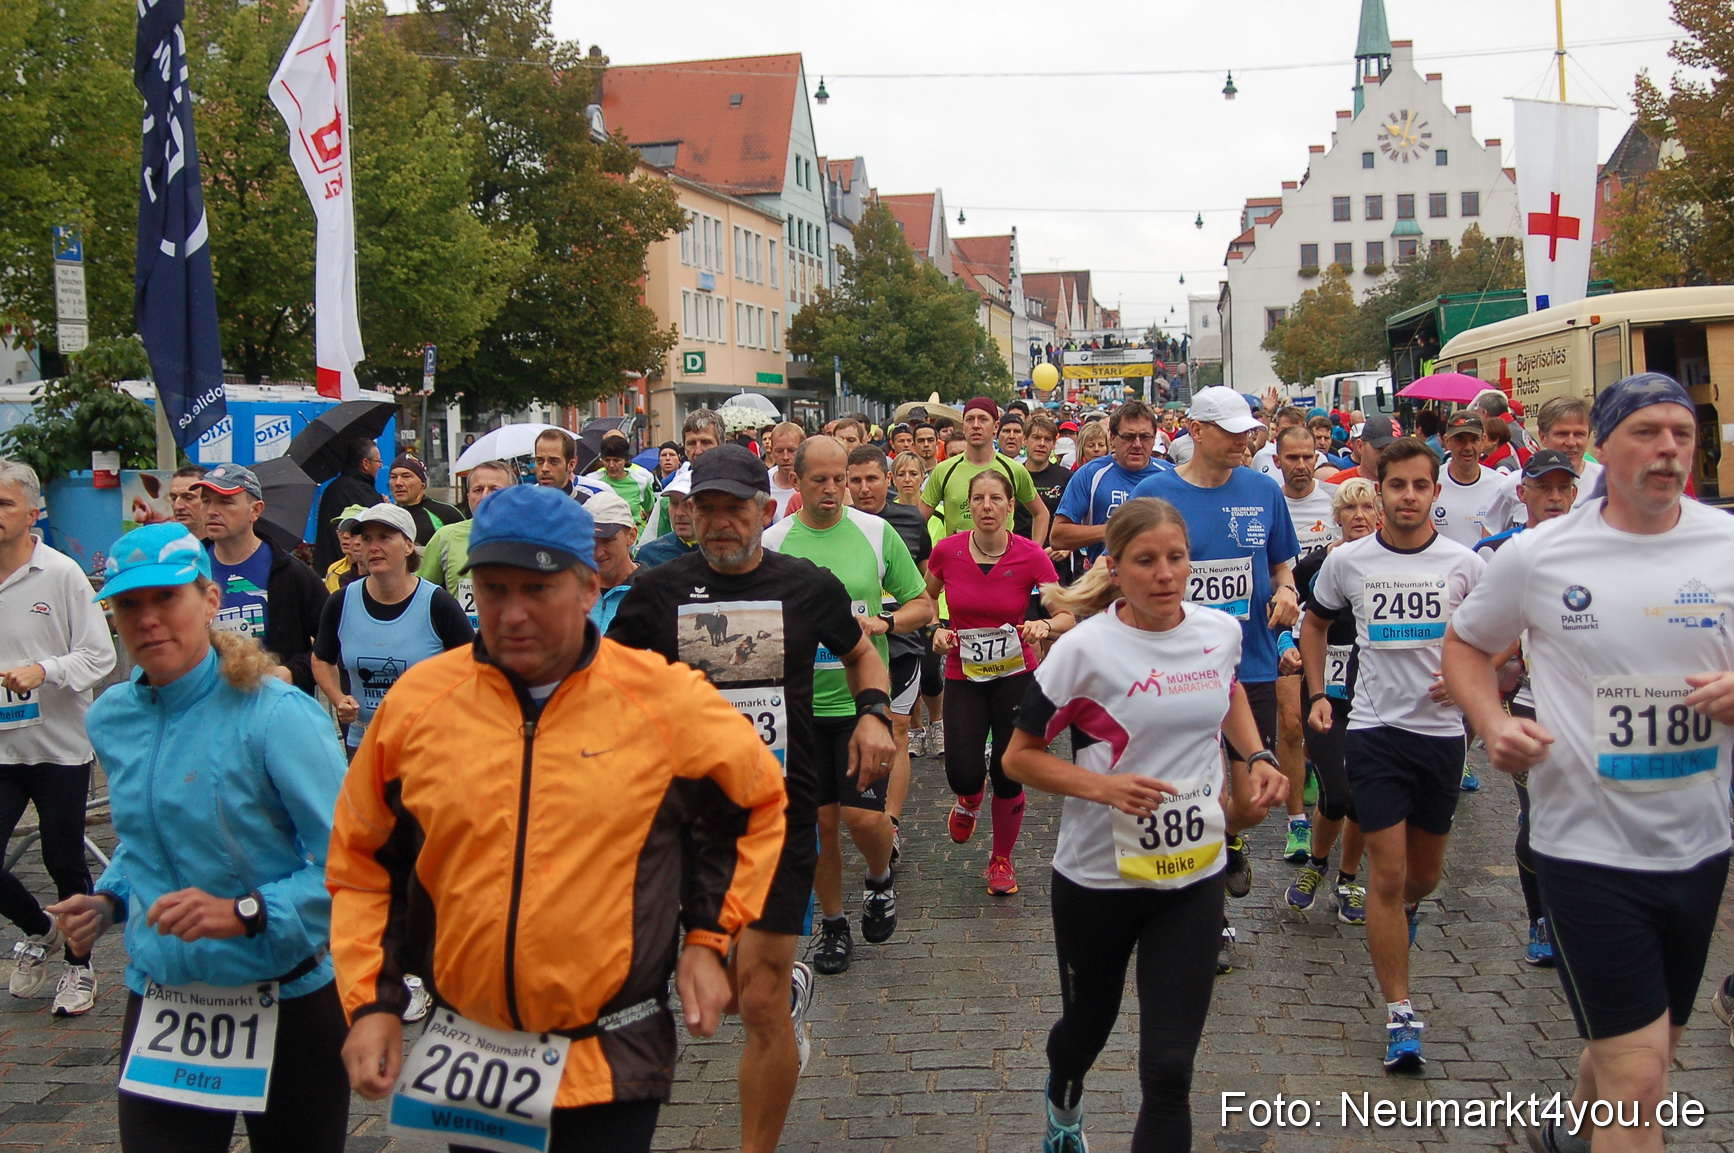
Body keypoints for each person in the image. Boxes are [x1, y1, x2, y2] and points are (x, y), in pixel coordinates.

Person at [329, 484, 786, 1153]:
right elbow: (362, 862)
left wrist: (708, 937)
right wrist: (372, 1002)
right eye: (492, 589)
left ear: (586, 584)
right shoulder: (419, 704)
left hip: (611, 1048)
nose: (511, 613)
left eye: (536, 589)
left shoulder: (663, 698)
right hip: (474, 1049)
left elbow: (754, 807)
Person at [1445, 373, 1733, 1153]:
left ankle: (1569, 1133)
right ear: (1602, 446)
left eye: (1681, 431)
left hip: (1699, 847)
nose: (1669, 447)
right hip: (1585, 851)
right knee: (1641, 1084)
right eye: (1647, 431)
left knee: (1646, 1050)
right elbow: (1468, 646)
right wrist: (1491, 718)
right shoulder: (1539, 555)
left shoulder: (1726, 544)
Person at [608, 446, 893, 1153]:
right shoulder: (658, 592)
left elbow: (861, 652)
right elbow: (606, 687)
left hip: (777, 816)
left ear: (768, 511)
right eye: (706, 508)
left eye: (736, 507)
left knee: (759, 1001)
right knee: (722, 990)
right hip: (678, 824)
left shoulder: (805, 585)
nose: (720, 522)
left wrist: (875, 712)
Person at [50, 522, 350, 1151]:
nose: (148, 618)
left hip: (284, 998)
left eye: (167, 597)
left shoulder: (275, 713)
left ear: (209, 601)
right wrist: (109, 900)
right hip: (166, 997)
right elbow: (146, 840)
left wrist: (245, 912)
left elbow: (350, 864)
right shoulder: (113, 718)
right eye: (129, 604)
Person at [1004, 497, 1287, 1153]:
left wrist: (1258, 753)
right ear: (1115, 568)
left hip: (1191, 873)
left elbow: (1230, 692)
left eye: (1176, 557)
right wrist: (1103, 786)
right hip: (1097, 878)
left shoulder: (1218, 632)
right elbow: (1016, 757)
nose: (1165, 573)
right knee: (1087, 1028)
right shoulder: (1084, 650)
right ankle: (1064, 1095)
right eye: (1146, 560)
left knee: (1168, 1069)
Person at [1299, 437, 1484, 1073]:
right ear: (1380, 491)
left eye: (1420, 486)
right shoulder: (1349, 562)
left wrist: (1472, 675)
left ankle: (1405, 915)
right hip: (1374, 732)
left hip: (1440, 737)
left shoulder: (1465, 564)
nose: (1408, 497)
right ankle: (1401, 1014)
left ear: (1436, 492)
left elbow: (1499, 634)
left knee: (1422, 878)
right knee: (1387, 872)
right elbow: (1314, 623)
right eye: (1397, 485)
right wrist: (1320, 692)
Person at [1131, 387, 1300, 950]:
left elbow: (1280, 565)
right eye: (1229, 430)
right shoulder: (1157, 491)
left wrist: (1287, 592)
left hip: (1248, 663)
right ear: (1197, 432)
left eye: (1247, 430)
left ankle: (1225, 839)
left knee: (1250, 802)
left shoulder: (1262, 489)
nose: (1243, 439)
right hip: (1177, 667)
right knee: (1190, 793)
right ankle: (1211, 919)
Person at [765, 439, 931, 973]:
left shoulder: (876, 532)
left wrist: (883, 623)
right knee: (820, 822)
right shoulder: (774, 542)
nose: (835, 490)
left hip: (863, 706)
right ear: (797, 478)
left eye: (842, 480)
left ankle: (879, 879)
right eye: (822, 481)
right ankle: (834, 924)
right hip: (802, 709)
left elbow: (922, 603)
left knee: (864, 820)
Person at [0, 461, 117, 1016]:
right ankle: (39, 928)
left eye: (4, 504)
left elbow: (100, 655)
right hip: (1, 749)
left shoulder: (62, 573)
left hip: (59, 746)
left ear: (32, 511)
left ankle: (80, 966)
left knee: (62, 858)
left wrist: (43, 671)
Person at [926, 469, 1070, 896]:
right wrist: (935, 628)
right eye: (978, 499)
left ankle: (1001, 860)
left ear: (1011, 506)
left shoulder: (1029, 555)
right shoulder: (948, 552)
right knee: (962, 771)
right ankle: (969, 799)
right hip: (963, 673)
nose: (986, 506)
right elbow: (925, 597)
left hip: (1015, 675)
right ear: (967, 507)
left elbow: (1065, 613)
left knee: (1009, 770)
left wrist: (1044, 627)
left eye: (995, 499)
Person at [1471, 448, 1579, 966]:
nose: (1556, 497)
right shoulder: (1500, 552)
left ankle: (1582, 911)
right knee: (1537, 816)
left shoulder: (1594, 551)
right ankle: (1540, 917)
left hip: (1587, 710)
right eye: (1545, 487)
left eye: (1565, 488)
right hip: (1529, 704)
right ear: (1524, 493)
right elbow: (1471, 635)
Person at [311, 502, 472, 759]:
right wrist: (338, 697)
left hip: (425, 746)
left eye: (385, 537)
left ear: (409, 545)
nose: (374, 547)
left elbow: (472, 668)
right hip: (364, 743)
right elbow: (321, 658)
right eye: (366, 539)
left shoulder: (437, 604)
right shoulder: (342, 602)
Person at [1285, 478, 1375, 926]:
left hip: (1374, 694)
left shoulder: (1387, 565)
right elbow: (1287, 614)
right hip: (1323, 692)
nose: (1359, 515)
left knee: (1359, 797)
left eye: (1367, 507)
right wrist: (1288, 643)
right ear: (1336, 517)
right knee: (1336, 792)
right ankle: (1317, 864)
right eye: (1350, 508)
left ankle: (1348, 878)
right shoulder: (1316, 564)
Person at [845, 445, 934, 860]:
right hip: (848, 649)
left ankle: (891, 822)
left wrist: (912, 619)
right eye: (856, 480)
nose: (865, 488)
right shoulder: (839, 523)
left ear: (889, 479)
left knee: (898, 730)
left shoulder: (911, 519)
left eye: (872, 479)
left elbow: (924, 579)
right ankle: (859, 808)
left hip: (900, 641)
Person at [195, 464, 327, 696]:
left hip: (274, 709)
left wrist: (294, 671)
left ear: (255, 511)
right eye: (206, 501)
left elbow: (335, 640)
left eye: (225, 502)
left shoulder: (290, 574)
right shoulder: (190, 573)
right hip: (208, 709)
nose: (212, 511)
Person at [1273, 425, 1340, 861]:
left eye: (1308, 457)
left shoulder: (1334, 502)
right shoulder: (1268, 502)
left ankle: (1335, 796)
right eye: (1291, 458)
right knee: (1292, 725)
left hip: (1335, 631)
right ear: (1276, 460)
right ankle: (1297, 822)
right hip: (1285, 625)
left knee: (1328, 726)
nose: (1300, 466)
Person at [1051, 399, 1168, 565]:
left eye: (1144, 437)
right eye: (1128, 437)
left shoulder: (1170, 475)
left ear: (1154, 438)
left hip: (1157, 581)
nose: (1137, 444)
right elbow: (1058, 537)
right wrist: (1116, 529)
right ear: (1112, 438)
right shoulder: (1091, 474)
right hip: (1105, 582)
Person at [919, 397, 1049, 544]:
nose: (976, 425)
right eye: (970, 419)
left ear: (995, 426)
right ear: (963, 426)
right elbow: (918, 521)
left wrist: (1034, 554)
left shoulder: (1014, 469)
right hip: (958, 562)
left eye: (983, 419)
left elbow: (1041, 513)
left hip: (1002, 562)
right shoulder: (944, 470)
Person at [1481, 395, 1602, 536]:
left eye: (1579, 434)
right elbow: (1490, 531)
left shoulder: (1606, 482)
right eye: (1562, 434)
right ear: (1543, 437)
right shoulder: (1515, 482)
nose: (1571, 442)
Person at [419, 459, 516, 627]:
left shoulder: (532, 538)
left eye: (494, 489)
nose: (485, 496)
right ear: (469, 496)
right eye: (478, 490)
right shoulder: (446, 537)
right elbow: (420, 598)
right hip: (463, 645)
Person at [642, 409, 725, 538]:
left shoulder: (740, 492)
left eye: (705, 442)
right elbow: (654, 546)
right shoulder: (669, 497)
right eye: (691, 443)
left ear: (721, 444)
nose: (698, 451)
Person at [1431, 411, 1502, 548]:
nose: (1468, 447)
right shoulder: (1431, 483)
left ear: (1483, 440)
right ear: (1447, 441)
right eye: (1460, 439)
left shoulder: (1500, 486)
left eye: (1474, 440)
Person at [313, 437, 384, 571]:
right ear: (365, 463)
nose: (380, 465)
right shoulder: (360, 492)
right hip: (347, 571)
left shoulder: (334, 488)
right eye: (378, 461)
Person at [587, 489, 641, 632]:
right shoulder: (572, 591)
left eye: (608, 541)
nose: (598, 553)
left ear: (632, 536)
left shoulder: (654, 593)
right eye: (590, 540)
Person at [387, 453, 465, 545]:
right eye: (393, 477)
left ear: (422, 484)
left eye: (406, 476)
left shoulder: (447, 514)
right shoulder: (386, 516)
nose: (398, 483)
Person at [634, 468, 698, 568]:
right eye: (674, 503)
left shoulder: (723, 552)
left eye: (688, 505)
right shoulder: (650, 555)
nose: (679, 513)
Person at [591, 433, 658, 527]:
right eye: (606, 460)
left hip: (635, 537)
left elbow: (651, 511)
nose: (611, 465)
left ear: (625, 460)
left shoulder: (641, 482)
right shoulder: (592, 481)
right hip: (603, 536)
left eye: (616, 460)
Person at [533, 428, 605, 501]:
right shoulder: (523, 505)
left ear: (571, 465)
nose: (544, 468)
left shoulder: (587, 506)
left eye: (554, 461)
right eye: (539, 461)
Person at [1327, 413, 1400, 483]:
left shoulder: (1402, 484)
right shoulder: (1337, 483)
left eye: (1389, 450)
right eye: (1379, 449)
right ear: (1360, 446)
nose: (1384, 456)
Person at [321, 505, 369, 592]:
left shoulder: (382, 572)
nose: (345, 536)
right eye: (341, 530)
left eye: (354, 531)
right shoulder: (334, 570)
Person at [765, 421, 804, 520]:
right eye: (779, 451)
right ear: (772, 451)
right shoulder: (764, 483)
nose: (785, 457)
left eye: (791, 451)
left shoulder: (813, 483)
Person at [167, 464, 207, 536]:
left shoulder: (228, 544)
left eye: (188, 498)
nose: (177, 506)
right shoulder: (164, 545)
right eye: (173, 498)